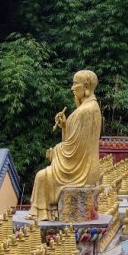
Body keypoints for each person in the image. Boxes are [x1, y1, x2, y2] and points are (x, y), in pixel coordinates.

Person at [30, 70, 103, 221]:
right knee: (42, 176)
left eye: (75, 84)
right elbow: (75, 143)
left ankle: (46, 213)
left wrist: (55, 151)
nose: (72, 88)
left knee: (41, 177)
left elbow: (75, 150)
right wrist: (65, 126)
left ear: (87, 87)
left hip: (82, 172)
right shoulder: (88, 108)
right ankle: (46, 213)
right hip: (85, 168)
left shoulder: (86, 111)